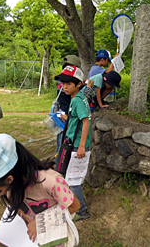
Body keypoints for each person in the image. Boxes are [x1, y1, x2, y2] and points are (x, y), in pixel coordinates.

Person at [0, 133, 80, 243]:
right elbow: (21, 212)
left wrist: (41, 222)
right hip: (35, 240)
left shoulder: (50, 182)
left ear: (9, 179)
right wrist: (5, 231)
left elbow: (75, 206)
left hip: (56, 240)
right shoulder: (12, 188)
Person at [55, 65, 92, 221]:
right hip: (72, 143)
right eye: (63, 83)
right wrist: (67, 118)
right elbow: (78, 118)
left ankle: (82, 211)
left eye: (68, 83)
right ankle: (72, 204)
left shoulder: (77, 100)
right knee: (66, 175)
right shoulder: (78, 97)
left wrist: (82, 146)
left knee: (73, 180)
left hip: (77, 146)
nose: (64, 87)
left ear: (78, 84)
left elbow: (86, 122)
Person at [55, 55, 81, 152]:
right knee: (65, 140)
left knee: (61, 140)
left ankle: (59, 157)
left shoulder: (60, 80)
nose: (65, 86)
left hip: (62, 110)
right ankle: (60, 160)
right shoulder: (70, 84)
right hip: (66, 113)